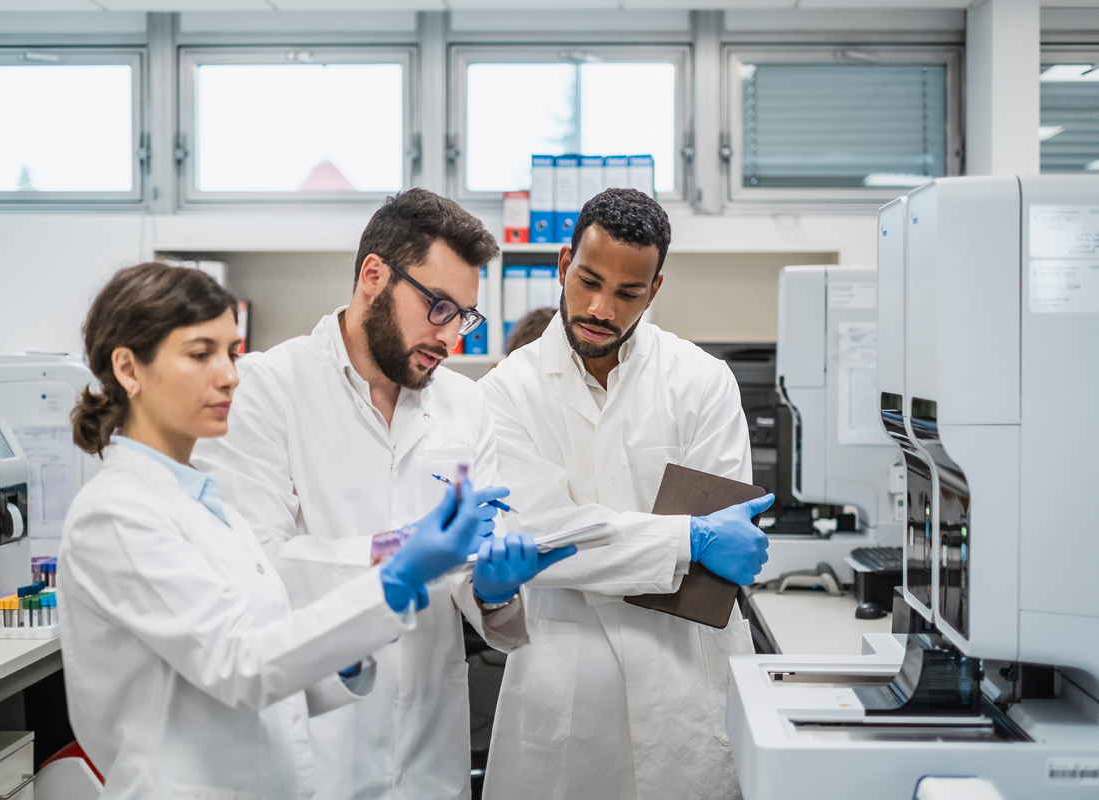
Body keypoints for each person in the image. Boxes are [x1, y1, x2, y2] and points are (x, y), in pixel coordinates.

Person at [58, 262, 493, 799]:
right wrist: (395, 576)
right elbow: (241, 665)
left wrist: (347, 663)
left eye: (231, 352)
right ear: (128, 368)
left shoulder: (205, 504)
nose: (229, 376)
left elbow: (267, 658)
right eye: (200, 355)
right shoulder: (117, 514)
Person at [192, 188, 573, 800]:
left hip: (428, 753)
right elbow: (253, 571)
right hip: (315, 749)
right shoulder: (266, 389)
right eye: (439, 307)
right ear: (374, 275)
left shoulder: (465, 404)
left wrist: (494, 589)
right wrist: (393, 554)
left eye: (465, 316)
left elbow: (472, 589)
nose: (453, 339)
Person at [479, 188, 774, 800]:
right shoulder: (506, 392)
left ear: (656, 289)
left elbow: (706, 583)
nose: (600, 307)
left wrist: (594, 548)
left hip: (684, 683)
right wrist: (684, 539)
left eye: (627, 293)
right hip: (564, 686)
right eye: (587, 281)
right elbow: (537, 536)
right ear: (563, 265)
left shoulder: (702, 381)